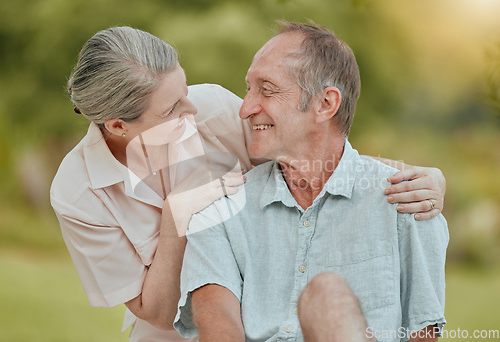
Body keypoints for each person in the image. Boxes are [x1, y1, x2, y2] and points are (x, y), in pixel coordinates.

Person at [50, 26, 446, 342]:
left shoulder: (212, 111)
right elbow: (153, 311)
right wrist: (176, 217)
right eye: (173, 109)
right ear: (118, 126)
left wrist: (422, 176)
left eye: (185, 92)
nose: (193, 109)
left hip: (256, 307)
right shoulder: (77, 190)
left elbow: (309, 146)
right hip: (167, 331)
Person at [174, 22, 448, 342]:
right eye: (248, 88)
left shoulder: (408, 201)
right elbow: (218, 327)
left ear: (325, 105)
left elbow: (422, 333)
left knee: (326, 297)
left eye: (267, 89)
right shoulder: (219, 210)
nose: (246, 108)